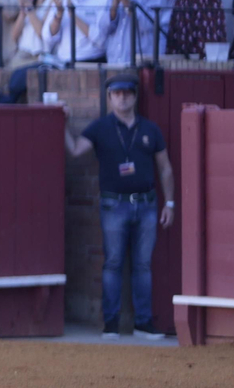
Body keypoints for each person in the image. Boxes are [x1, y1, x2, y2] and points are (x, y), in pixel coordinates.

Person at [63, 78, 175, 340]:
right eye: (117, 94)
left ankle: (143, 323)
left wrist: (170, 202)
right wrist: (62, 121)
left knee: (142, 265)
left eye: (127, 94)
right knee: (113, 263)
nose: (122, 98)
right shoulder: (101, 128)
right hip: (114, 204)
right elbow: (76, 150)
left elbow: (165, 168)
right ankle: (111, 323)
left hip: (146, 204)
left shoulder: (150, 129)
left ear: (135, 97)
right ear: (109, 98)